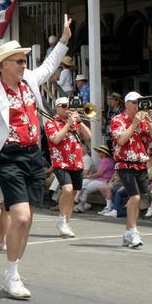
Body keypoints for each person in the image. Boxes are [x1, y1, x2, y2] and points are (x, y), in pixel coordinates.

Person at [0, 14, 72, 300]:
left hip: (33, 155)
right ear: (4, 64)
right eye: (19, 60)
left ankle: (13, 271)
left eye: (24, 61)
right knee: (22, 216)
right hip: (9, 157)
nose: (24, 65)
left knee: (27, 220)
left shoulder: (29, 81)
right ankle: (12, 273)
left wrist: (64, 39)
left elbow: (50, 65)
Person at [110, 92, 152, 247]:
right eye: (135, 102)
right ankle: (133, 231)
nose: (138, 104)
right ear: (127, 104)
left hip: (141, 163)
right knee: (135, 197)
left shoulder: (144, 120)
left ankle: (128, 233)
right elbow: (121, 140)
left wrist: (150, 121)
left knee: (138, 199)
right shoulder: (117, 120)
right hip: (124, 163)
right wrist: (134, 124)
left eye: (140, 102)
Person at [45, 96, 91, 237]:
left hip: (76, 161)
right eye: (64, 106)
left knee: (72, 195)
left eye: (68, 106)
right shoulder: (51, 123)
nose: (67, 109)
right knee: (67, 189)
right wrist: (67, 124)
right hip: (61, 161)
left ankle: (65, 224)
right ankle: (61, 218)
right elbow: (56, 139)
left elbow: (88, 136)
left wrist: (80, 122)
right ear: (57, 107)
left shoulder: (75, 123)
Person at [74, 145, 115, 213]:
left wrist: (89, 176)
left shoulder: (105, 161)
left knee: (86, 190)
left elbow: (99, 173)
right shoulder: (108, 160)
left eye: (99, 152)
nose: (98, 153)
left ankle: (81, 206)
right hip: (104, 180)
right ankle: (80, 204)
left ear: (104, 153)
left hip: (102, 181)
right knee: (85, 185)